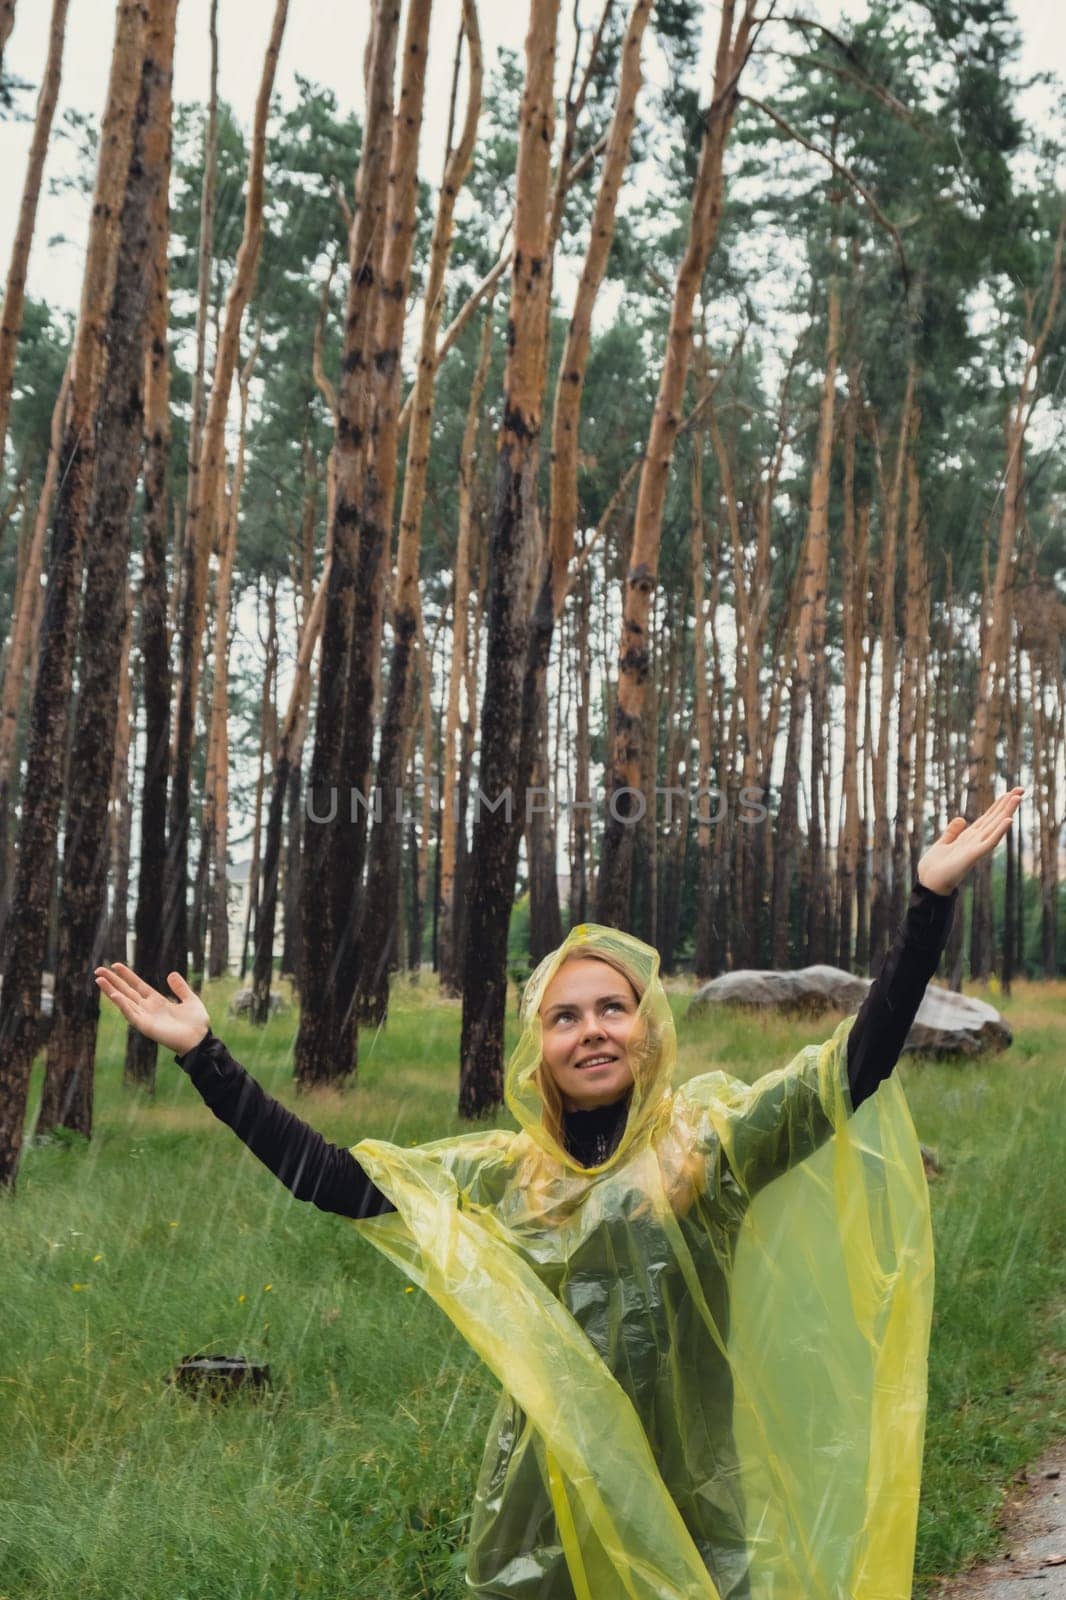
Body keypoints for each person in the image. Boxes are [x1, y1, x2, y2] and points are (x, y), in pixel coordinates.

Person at [95, 788, 1024, 1599]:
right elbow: (334, 1180)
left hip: (688, 1487)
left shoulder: (705, 1151)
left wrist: (928, 901)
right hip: (544, 1502)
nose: (592, 1031)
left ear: (648, 1029)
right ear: (538, 1047)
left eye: (613, 1008)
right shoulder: (505, 1174)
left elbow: (850, 1069)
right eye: (565, 1016)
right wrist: (205, 1059)